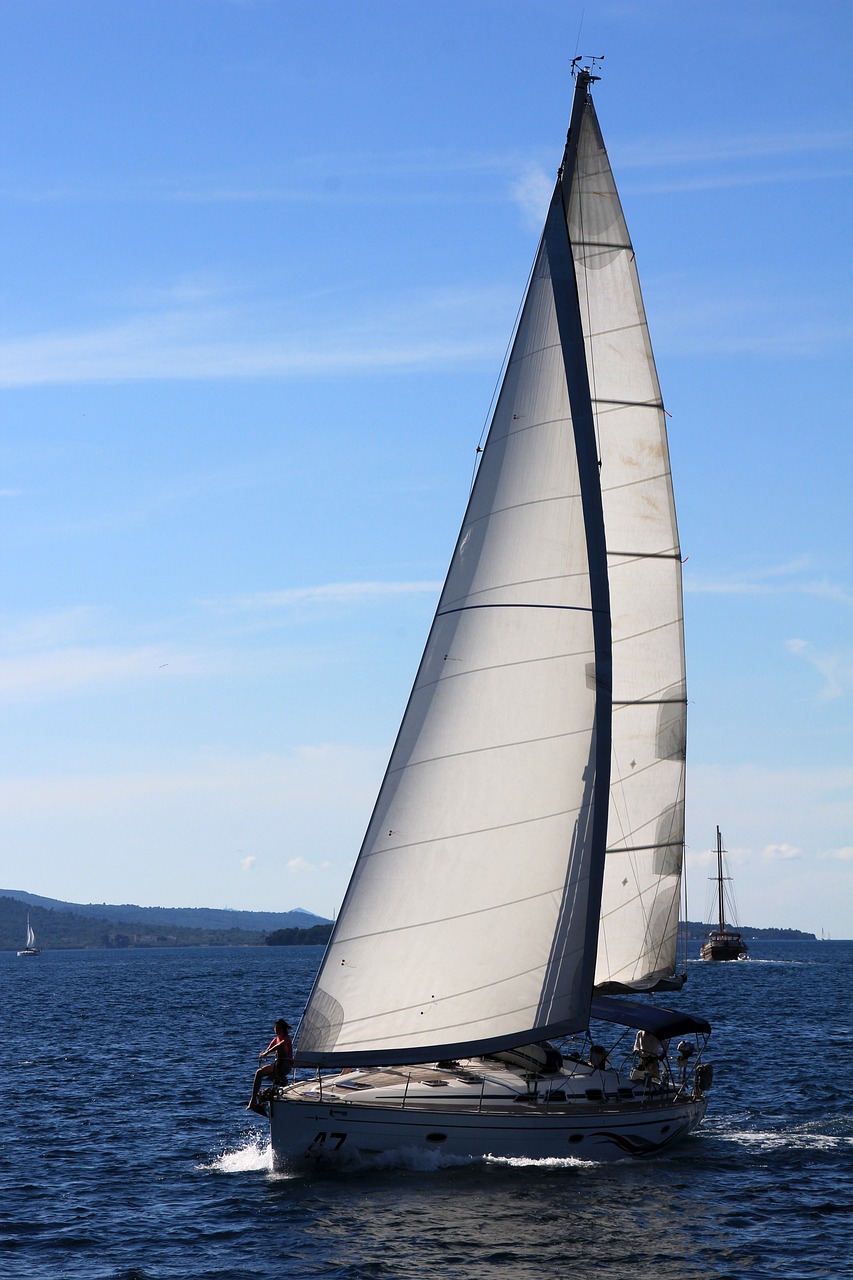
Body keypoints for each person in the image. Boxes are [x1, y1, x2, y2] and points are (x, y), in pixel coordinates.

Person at [247, 1019, 293, 1114]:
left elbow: (280, 1046)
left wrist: (268, 1052)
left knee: (280, 1049)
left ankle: (279, 1077)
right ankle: (253, 1101)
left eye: (279, 1028)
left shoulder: (286, 1038)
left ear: (283, 1029)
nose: (277, 1030)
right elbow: (268, 1050)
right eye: (276, 1028)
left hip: (286, 1065)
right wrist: (264, 1054)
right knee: (259, 1073)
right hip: (277, 1066)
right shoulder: (275, 1040)